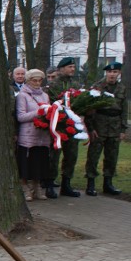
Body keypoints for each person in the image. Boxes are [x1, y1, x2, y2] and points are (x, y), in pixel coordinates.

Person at [84, 61, 127, 196]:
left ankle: (108, 183)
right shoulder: (97, 87)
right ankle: (90, 184)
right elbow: (90, 110)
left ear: (119, 73)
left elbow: (124, 110)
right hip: (99, 125)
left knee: (112, 156)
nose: (112, 75)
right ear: (106, 73)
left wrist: (123, 129)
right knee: (93, 156)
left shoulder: (122, 88)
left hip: (114, 126)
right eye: (109, 72)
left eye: (115, 72)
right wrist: (91, 128)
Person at [46, 57, 81, 198]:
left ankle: (66, 184)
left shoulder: (76, 84)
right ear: (61, 69)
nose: (72, 69)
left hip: (72, 126)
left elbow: (79, 102)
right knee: (53, 156)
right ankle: (49, 184)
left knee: (71, 155)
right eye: (69, 67)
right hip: (58, 126)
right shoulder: (53, 85)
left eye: (73, 66)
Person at [15, 69, 52, 201]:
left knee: (40, 163)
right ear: (28, 80)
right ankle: (25, 188)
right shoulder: (22, 95)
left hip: (42, 135)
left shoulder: (45, 95)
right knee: (26, 164)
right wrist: (39, 112)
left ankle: (37, 186)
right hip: (28, 134)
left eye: (39, 80)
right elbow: (21, 116)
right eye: (34, 80)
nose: (37, 83)